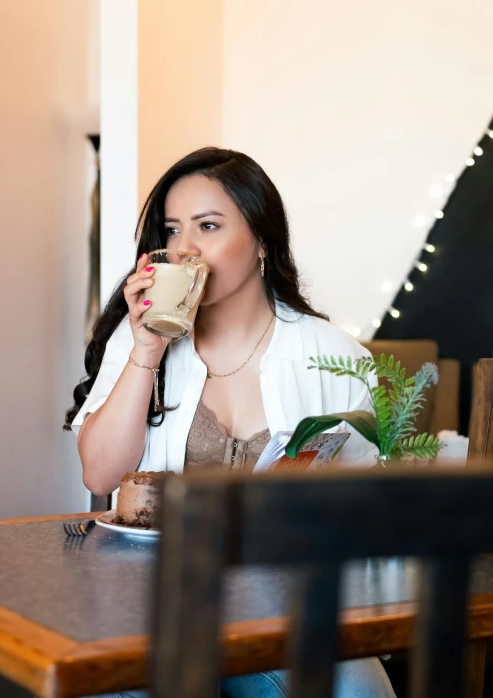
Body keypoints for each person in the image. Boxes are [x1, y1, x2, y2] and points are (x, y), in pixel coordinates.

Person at [65, 147, 394, 698]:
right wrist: (148, 348)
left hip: (281, 613)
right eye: (172, 231)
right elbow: (99, 478)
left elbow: (368, 502)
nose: (184, 249)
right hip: (150, 604)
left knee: (360, 692)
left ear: (262, 240)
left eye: (209, 226)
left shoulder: (333, 354)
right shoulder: (139, 336)